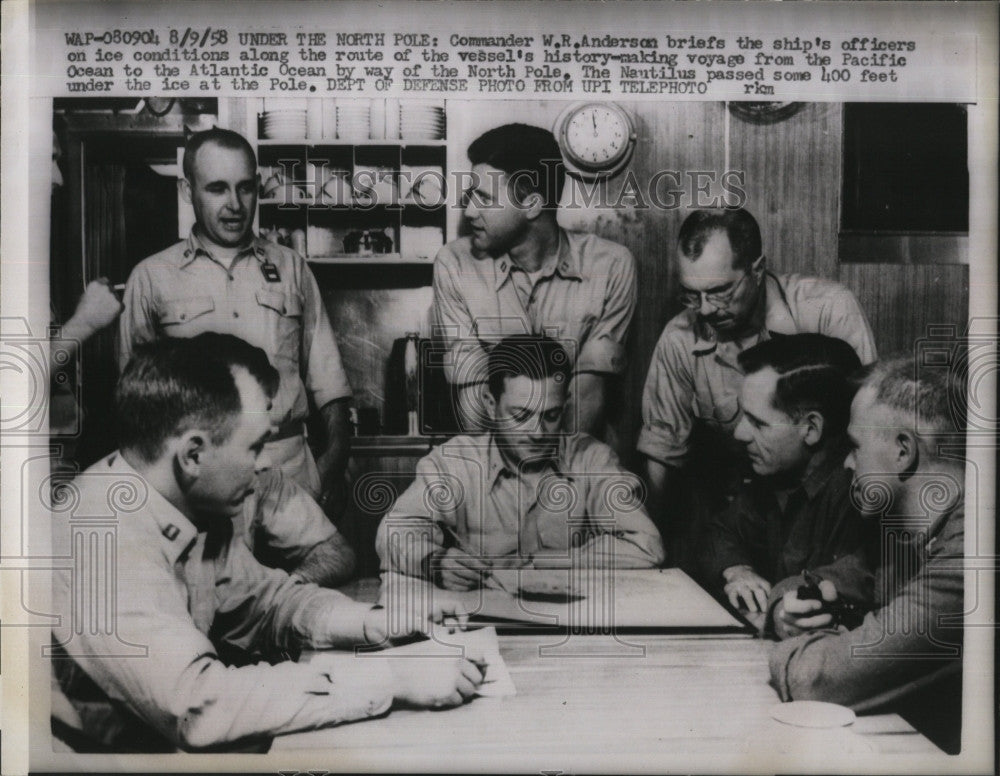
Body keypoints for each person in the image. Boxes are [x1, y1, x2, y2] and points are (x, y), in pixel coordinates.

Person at [51, 335, 483, 752]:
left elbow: (270, 602)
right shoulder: (103, 537)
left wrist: (376, 623)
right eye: (256, 446)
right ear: (193, 455)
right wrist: (395, 678)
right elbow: (199, 706)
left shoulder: (183, 506)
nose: (264, 465)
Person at [119, 127, 352, 516]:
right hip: (198, 486)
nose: (234, 204)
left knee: (314, 571)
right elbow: (134, 408)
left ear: (258, 187)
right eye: (217, 189)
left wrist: (334, 461)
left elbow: (330, 383)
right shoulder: (150, 278)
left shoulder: (292, 268)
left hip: (291, 473)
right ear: (186, 190)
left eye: (245, 188)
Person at [638, 207, 877, 563]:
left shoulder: (828, 310)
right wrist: (649, 549)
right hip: (748, 513)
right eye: (691, 294)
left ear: (757, 268)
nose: (704, 310)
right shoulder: (680, 339)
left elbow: (871, 423)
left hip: (833, 515)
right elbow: (661, 453)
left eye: (719, 292)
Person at [767, 355, 966, 753]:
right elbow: (815, 580)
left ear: (903, 451)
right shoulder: (905, 542)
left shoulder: (970, 560)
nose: (846, 461)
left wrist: (820, 642)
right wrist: (782, 611)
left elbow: (816, 679)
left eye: (855, 446)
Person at [377, 335, 664, 590]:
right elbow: (393, 533)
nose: (537, 433)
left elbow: (647, 546)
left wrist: (547, 561)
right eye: (520, 415)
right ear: (491, 404)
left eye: (551, 416)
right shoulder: (453, 463)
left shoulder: (592, 459)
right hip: (481, 627)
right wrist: (433, 561)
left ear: (565, 405)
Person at [432, 123, 636, 437]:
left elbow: (587, 393)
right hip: (493, 463)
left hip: (575, 461)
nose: (470, 211)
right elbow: (473, 398)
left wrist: (552, 481)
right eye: (471, 196)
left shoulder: (611, 267)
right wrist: (501, 480)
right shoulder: (454, 265)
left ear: (532, 205)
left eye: (484, 199)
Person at [700, 334, 866, 614]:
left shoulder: (858, 489)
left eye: (758, 423)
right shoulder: (778, 473)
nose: (740, 433)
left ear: (811, 429)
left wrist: (780, 601)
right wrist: (737, 570)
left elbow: (860, 579)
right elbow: (722, 530)